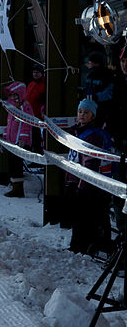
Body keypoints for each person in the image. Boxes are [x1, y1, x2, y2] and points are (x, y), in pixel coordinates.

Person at [65, 98, 113, 257]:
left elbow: (90, 163)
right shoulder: (76, 131)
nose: (82, 115)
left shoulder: (93, 135)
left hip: (89, 185)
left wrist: (82, 185)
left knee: (87, 217)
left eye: (86, 112)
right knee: (79, 217)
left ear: (93, 116)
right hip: (75, 181)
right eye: (80, 112)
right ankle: (78, 246)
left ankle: (84, 247)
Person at [1, 81, 33, 198]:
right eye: (11, 95)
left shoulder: (25, 107)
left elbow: (27, 125)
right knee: (12, 164)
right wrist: (4, 139)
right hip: (11, 142)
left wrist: (23, 140)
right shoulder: (11, 108)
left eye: (15, 95)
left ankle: (18, 189)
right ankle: (15, 186)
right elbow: (8, 125)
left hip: (19, 143)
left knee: (17, 165)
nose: (13, 97)